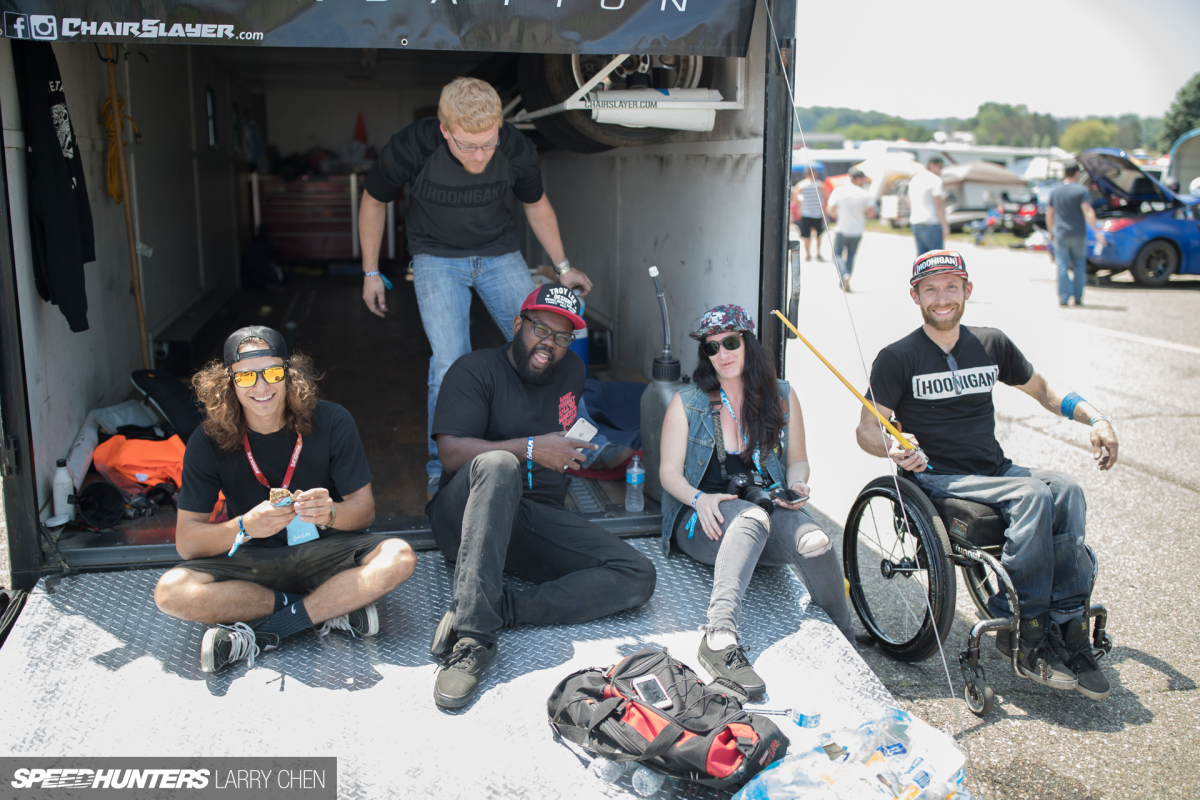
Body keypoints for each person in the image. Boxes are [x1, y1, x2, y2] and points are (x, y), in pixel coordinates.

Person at [855, 250, 1119, 700]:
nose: (942, 298)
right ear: (915, 295)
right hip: (938, 476)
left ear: (967, 291)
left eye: (951, 287)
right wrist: (897, 447)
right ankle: (1023, 624)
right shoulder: (897, 357)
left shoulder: (991, 343)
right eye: (931, 289)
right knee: (1033, 494)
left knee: (1068, 489)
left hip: (993, 469)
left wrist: (1096, 419)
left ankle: (1069, 625)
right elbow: (866, 432)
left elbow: (1044, 390)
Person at [357, 77, 594, 496]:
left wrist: (563, 267)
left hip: (499, 252)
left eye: (488, 143)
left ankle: (577, 440)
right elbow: (375, 200)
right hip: (435, 258)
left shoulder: (515, 148)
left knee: (550, 342)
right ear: (445, 130)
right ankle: (442, 469)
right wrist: (371, 272)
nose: (481, 155)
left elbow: (535, 203)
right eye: (468, 145)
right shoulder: (412, 146)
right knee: (449, 363)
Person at [426, 285, 657, 709]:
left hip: (529, 519)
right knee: (500, 464)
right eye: (540, 329)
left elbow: (563, 430)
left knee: (637, 574)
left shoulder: (571, 371)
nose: (549, 344)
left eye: (563, 336)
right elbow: (451, 451)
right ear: (518, 325)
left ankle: (501, 606)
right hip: (464, 518)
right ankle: (473, 637)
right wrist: (532, 448)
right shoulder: (474, 370)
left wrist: (567, 454)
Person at [154, 326, 416, 674]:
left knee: (399, 556)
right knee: (171, 592)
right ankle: (331, 607)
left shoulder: (333, 420)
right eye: (245, 376)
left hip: (323, 553)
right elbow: (187, 542)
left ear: (290, 376)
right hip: (251, 561)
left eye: (272, 373)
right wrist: (245, 525)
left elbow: (364, 511)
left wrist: (331, 513)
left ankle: (267, 630)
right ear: (228, 383)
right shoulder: (207, 440)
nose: (261, 387)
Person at [659, 305, 854, 699]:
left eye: (730, 342)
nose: (722, 354)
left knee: (816, 542)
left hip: (765, 510)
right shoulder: (688, 402)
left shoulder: (781, 395)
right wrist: (699, 498)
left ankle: (847, 640)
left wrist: (796, 486)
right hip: (704, 520)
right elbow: (668, 473)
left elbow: (798, 460)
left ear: (748, 343)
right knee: (749, 518)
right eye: (712, 348)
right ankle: (718, 637)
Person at [1046, 162, 1105, 307]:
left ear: (1065, 173)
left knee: (1062, 266)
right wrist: (1097, 231)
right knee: (1079, 266)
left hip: (1060, 234)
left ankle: (1064, 298)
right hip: (1078, 234)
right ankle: (1078, 298)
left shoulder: (1056, 191)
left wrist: (1050, 231)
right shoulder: (1081, 190)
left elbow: (1050, 213)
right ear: (1077, 174)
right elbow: (1087, 211)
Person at [824, 167, 877, 292]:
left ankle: (843, 274)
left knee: (836, 254)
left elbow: (830, 210)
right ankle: (847, 275)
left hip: (842, 228)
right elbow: (872, 213)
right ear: (858, 178)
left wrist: (838, 213)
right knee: (851, 256)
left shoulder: (840, 191)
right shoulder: (865, 193)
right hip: (857, 230)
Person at [907, 156, 949, 254]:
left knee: (922, 257)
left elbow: (908, 202)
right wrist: (945, 225)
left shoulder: (915, 179)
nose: (941, 170)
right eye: (939, 167)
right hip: (931, 221)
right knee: (935, 257)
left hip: (916, 221)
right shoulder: (935, 180)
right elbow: (938, 205)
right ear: (932, 165)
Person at [793, 167, 827, 261]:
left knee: (806, 235)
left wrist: (799, 208)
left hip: (806, 213)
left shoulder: (801, 185)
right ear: (815, 174)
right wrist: (824, 213)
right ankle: (818, 253)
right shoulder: (820, 185)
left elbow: (795, 199)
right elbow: (824, 199)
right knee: (818, 235)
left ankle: (808, 254)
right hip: (817, 213)